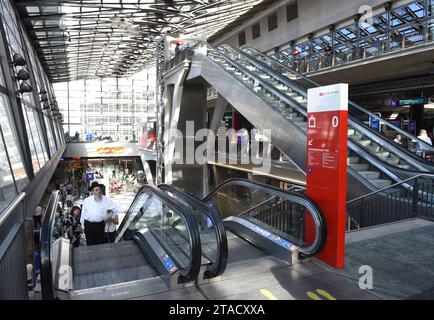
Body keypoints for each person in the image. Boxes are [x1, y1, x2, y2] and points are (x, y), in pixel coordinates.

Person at [80, 181, 120, 246]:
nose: (98, 191)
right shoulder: (87, 200)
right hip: (88, 225)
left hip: (100, 225)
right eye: (96, 190)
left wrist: (126, 210)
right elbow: (83, 214)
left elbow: (115, 207)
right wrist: (82, 226)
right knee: (90, 242)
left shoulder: (106, 199)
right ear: (92, 191)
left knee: (100, 242)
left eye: (99, 190)